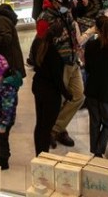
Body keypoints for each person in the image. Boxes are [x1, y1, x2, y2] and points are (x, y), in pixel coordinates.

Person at [37, 0, 83, 148]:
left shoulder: (66, 12)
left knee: (78, 96)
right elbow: (44, 44)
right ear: (56, 3)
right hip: (59, 64)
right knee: (59, 99)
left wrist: (78, 51)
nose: (68, 8)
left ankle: (56, 128)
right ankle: (54, 130)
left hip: (73, 61)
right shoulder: (44, 18)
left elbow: (72, 34)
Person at [84, 16, 108, 158]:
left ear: (97, 30)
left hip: (92, 90)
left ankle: (95, 151)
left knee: (94, 122)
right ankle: (99, 149)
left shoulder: (90, 46)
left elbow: (87, 69)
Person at [31, 19, 69, 155]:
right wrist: (67, 94)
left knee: (40, 124)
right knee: (46, 127)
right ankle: (43, 156)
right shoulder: (54, 53)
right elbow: (57, 78)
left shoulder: (39, 44)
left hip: (38, 87)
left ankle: (39, 154)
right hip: (50, 93)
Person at [0, 54, 22, 170]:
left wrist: (3, 124)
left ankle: (3, 161)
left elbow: (8, 108)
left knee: (2, 140)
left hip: (3, 121)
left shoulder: (8, 88)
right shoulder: (3, 84)